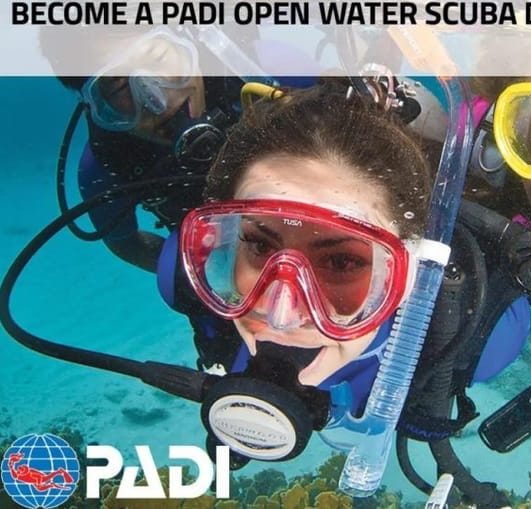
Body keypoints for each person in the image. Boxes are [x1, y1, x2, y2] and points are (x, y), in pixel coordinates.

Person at [158, 80, 433, 407]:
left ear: (405, 279)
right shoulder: (181, 280)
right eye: (259, 246)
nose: (281, 316)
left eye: (341, 262)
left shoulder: (458, 343)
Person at [39, 25, 254, 273]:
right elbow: (127, 244)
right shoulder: (107, 167)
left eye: (157, 58)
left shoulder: (262, 75)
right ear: (98, 107)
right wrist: (192, 274)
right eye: (119, 89)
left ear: (189, 38)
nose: (157, 101)